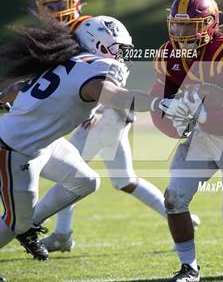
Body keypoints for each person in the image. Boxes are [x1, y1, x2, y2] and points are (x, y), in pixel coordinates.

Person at [30, 0, 200, 253]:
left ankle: (56, 233)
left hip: (105, 112)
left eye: (59, 4)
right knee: (125, 180)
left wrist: (99, 106)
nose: (52, 12)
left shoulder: (88, 29)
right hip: (109, 111)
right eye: (47, 6)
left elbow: (115, 69)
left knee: (72, 174)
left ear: (75, 3)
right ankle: (183, 219)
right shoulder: (63, 33)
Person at [0, 14, 186, 260]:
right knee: (15, 223)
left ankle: (31, 225)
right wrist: (160, 103)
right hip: (16, 148)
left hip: (43, 142)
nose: (123, 55)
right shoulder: (93, 70)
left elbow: (18, 88)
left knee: (86, 181)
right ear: (99, 45)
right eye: (119, 49)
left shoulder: (69, 61)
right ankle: (25, 227)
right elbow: (117, 97)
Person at [149, 0, 223, 281]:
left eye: (190, 24)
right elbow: (158, 101)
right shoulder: (169, 53)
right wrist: (172, 124)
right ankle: (189, 267)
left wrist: (197, 115)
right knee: (174, 197)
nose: (181, 31)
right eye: (177, 24)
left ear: (211, 23)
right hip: (203, 139)